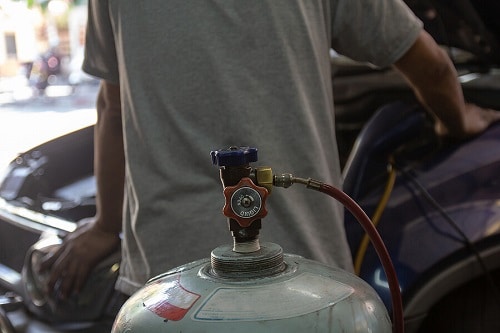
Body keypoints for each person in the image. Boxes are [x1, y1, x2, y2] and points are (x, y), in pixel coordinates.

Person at [41, 0, 500, 302]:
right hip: (305, 288)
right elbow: (433, 66)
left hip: (167, 294)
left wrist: (105, 225)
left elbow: (113, 106)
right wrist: (457, 120)